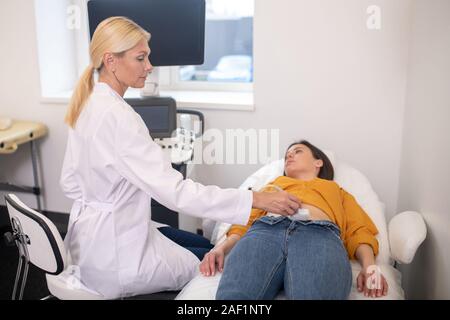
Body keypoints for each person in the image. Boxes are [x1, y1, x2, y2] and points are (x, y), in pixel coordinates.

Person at [61, 16, 300, 299]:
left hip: (88, 244)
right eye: (141, 58)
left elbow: (69, 183)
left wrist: (115, 198)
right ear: (111, 61)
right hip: (116, 260)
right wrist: (256, 199)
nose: (149, 66)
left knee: (204, 245)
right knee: (216, 265)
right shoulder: (120, 118)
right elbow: (177, 194)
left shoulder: (87, 103)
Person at [200, 140, 389, 299]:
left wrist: (370, 266)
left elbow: (358, 231)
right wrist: (221, 248)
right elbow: (246, 221)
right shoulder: (274, 185)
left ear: (318, 162)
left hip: (319, 236)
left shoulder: (336, 191)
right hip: (264, 232)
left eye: (297, 151)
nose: (289, 156)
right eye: (287, 155)